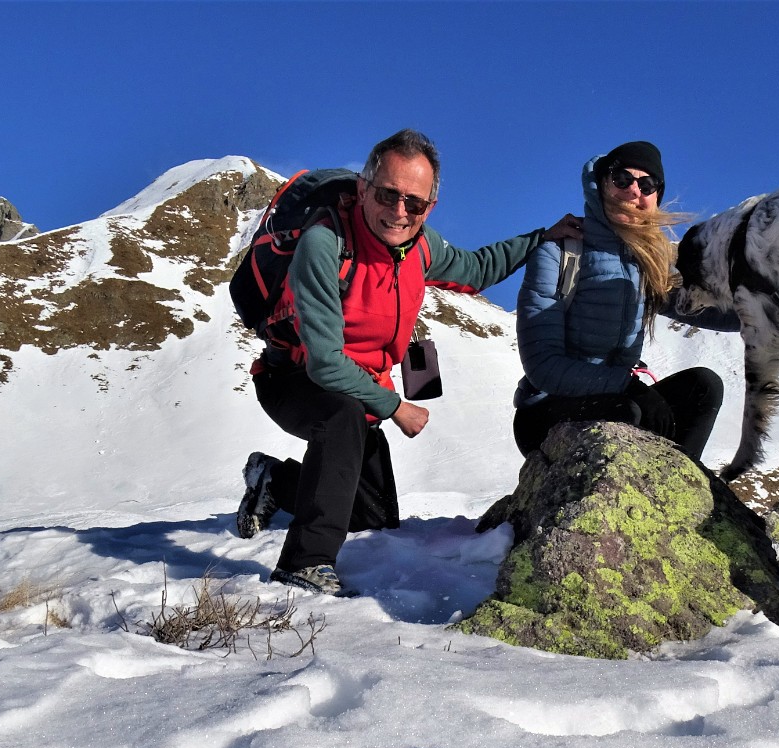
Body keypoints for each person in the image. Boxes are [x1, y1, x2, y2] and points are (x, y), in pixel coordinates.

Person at [237, 129, 581, 596]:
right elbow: (324, 366)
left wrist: (542, 236)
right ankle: (305, 563)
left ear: (429, 208)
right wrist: (396, 407)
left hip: (359, 393)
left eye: (414, 203)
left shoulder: (419, 245)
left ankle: (276, 481)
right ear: (363, 188)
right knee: (339, 419)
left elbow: (477, 269)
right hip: (293, 377)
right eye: (388, 194)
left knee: (370, 518)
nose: (400, 212)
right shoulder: (324, 245)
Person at [512, 140, 735, 460]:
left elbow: (708, 310)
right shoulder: (561, 253)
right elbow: (543, 367)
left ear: (656, 197)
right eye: (622, 179)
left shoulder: (649, 264)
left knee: (703, 387)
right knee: (627, 412)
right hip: (545, 411)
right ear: (602, 184)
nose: (634, 191)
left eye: (647, 184)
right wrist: (627, 386)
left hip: (622, 399)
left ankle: (677, 495)